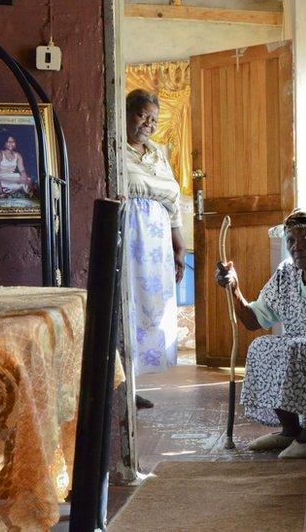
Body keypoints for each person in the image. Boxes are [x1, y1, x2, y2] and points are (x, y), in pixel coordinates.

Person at [215, 209, 306, 459]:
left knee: (297, 347)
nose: (297, 246)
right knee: (261, 346)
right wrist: (234, 288)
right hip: (300, 346)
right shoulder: (286, 273)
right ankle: (290, 430)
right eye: (290, 240)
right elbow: (253, 321)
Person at [122, 89, 186, 409]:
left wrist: (179, 246)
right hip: (131, 241)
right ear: (126, 113)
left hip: (157, 243)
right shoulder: (115, 148)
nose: (148, 123)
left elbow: (173, 200)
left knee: (150, 310)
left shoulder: (158, 152)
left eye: (153, 119)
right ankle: (123, 387)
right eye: (142, 115)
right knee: (128, 308)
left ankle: (131, 384)